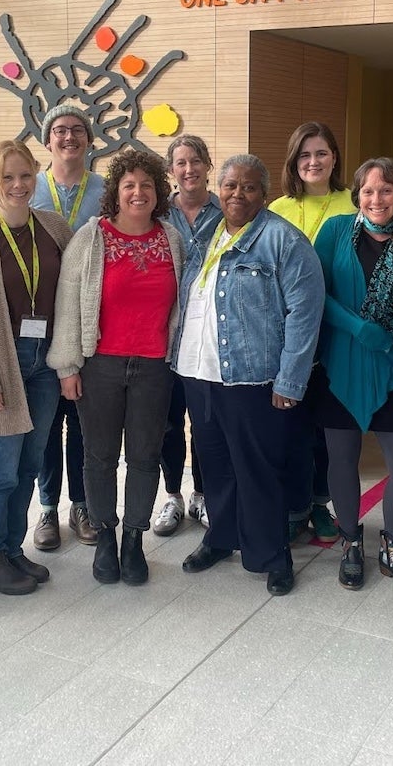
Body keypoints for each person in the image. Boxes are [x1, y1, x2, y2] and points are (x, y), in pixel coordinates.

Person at [175, 155, 324, 597]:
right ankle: (221, 537)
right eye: (230, 185)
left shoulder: (283, 240)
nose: (237, 194)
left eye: (249, 187)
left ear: (264, 193)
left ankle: (272, 554)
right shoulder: (208, 234)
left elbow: (305, 313)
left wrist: (289, 380)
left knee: (257, 470)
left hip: (252, 378)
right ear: (218, 188)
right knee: (215, 466)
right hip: (198, 372)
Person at [49, 150, 184, 585]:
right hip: (100, 365)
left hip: (153, 368)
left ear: (158, 192)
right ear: (116, 192)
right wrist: (68, 366)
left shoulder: (172, 239)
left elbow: (182, 305)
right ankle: (105, 537)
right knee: (99, 457)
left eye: (147, 185)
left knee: (145, 457)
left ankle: (134, 540)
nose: (138, 192)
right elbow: (68, 305)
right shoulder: (91, 238)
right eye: (129, 185)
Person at [0, 140, 72, 595]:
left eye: (26, 176)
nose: (19, 185)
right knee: (1, 470)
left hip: (45, 364)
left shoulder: (55, 227)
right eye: (8, 177)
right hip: (2, 366)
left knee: (30, 465)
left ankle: (12, 549)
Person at [314, 157, 393, 593]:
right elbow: (316, 292)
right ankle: (350, 541)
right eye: (368, 190)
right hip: (340, 365)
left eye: (386, 190)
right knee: (341, 459)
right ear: (357, 195)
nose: (376, 198)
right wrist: (356, 326)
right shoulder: (334, 231)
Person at [268, 121, 350, 545]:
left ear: (334, 157)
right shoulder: (277, 208)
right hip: (286, 334)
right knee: (290, 425)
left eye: (321, 153)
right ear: (293, 161)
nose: (313, 162)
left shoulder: (354, 204)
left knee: (326, 428)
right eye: (305, 155)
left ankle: (320, 503)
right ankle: (294, 504)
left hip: (337, 333)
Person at [30, 104, 107, 551]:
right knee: (45, 421)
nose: (68, 138)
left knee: (82, 422)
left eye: (77, 130)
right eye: (60, 130)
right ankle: (46, 508)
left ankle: (80, 505)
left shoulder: (104, 189)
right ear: (47, 140)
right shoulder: (31, 186)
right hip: (38, 319)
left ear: (89, 139)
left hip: (87, 320)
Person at [153, 135, 221, 536]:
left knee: (205, 421)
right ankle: (173, 496)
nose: (189, 169)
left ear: (207, 165)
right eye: (180, 163)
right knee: (167, 422)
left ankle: (203, 495)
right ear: (171, 170)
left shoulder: (225, 209)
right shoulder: (160, 215)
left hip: (208, 335)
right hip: (165, 334)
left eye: (196, 161)